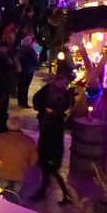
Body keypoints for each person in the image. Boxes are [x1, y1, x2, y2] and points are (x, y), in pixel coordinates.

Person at [31, 76, 73, 204]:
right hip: (48, 134)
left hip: (51, 141)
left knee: (50, 168)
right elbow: (37, 100)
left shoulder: (65, 95)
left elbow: (65, 106)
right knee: (49, 169)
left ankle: (59, 194)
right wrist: (43, 109)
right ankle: (52, 192)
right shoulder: (47, 90)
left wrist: (53, 111)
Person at [0, 116, 38, 203]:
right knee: (16, 193)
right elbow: (34, 158)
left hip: (4, 170)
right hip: (20, 171)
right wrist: (28, 166)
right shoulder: (28, 141)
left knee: (0, 190)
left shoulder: (1, 138)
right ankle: (13, 208)